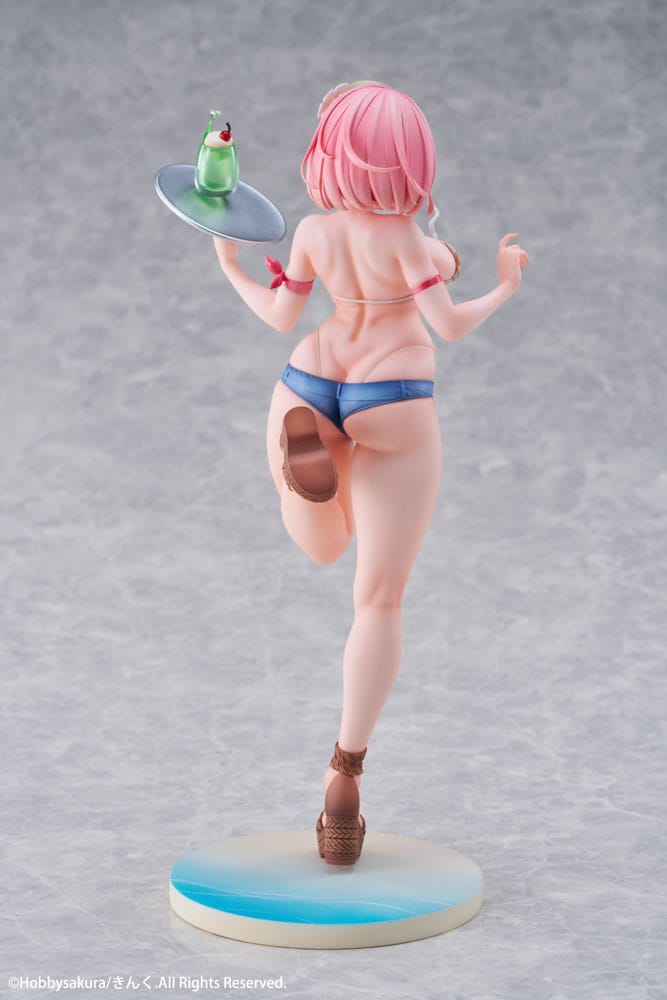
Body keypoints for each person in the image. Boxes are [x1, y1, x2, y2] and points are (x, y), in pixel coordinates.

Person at [213, 81, 528, 866]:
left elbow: (280, 314)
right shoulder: (410, 243)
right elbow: (449, 324)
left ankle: (308, 478)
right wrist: (503, 282)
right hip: (392, 393)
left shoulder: (316, 231)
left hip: (313, 373)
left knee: (321, 544)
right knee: (377, 599)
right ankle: (343, 778)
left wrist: (229, 263)